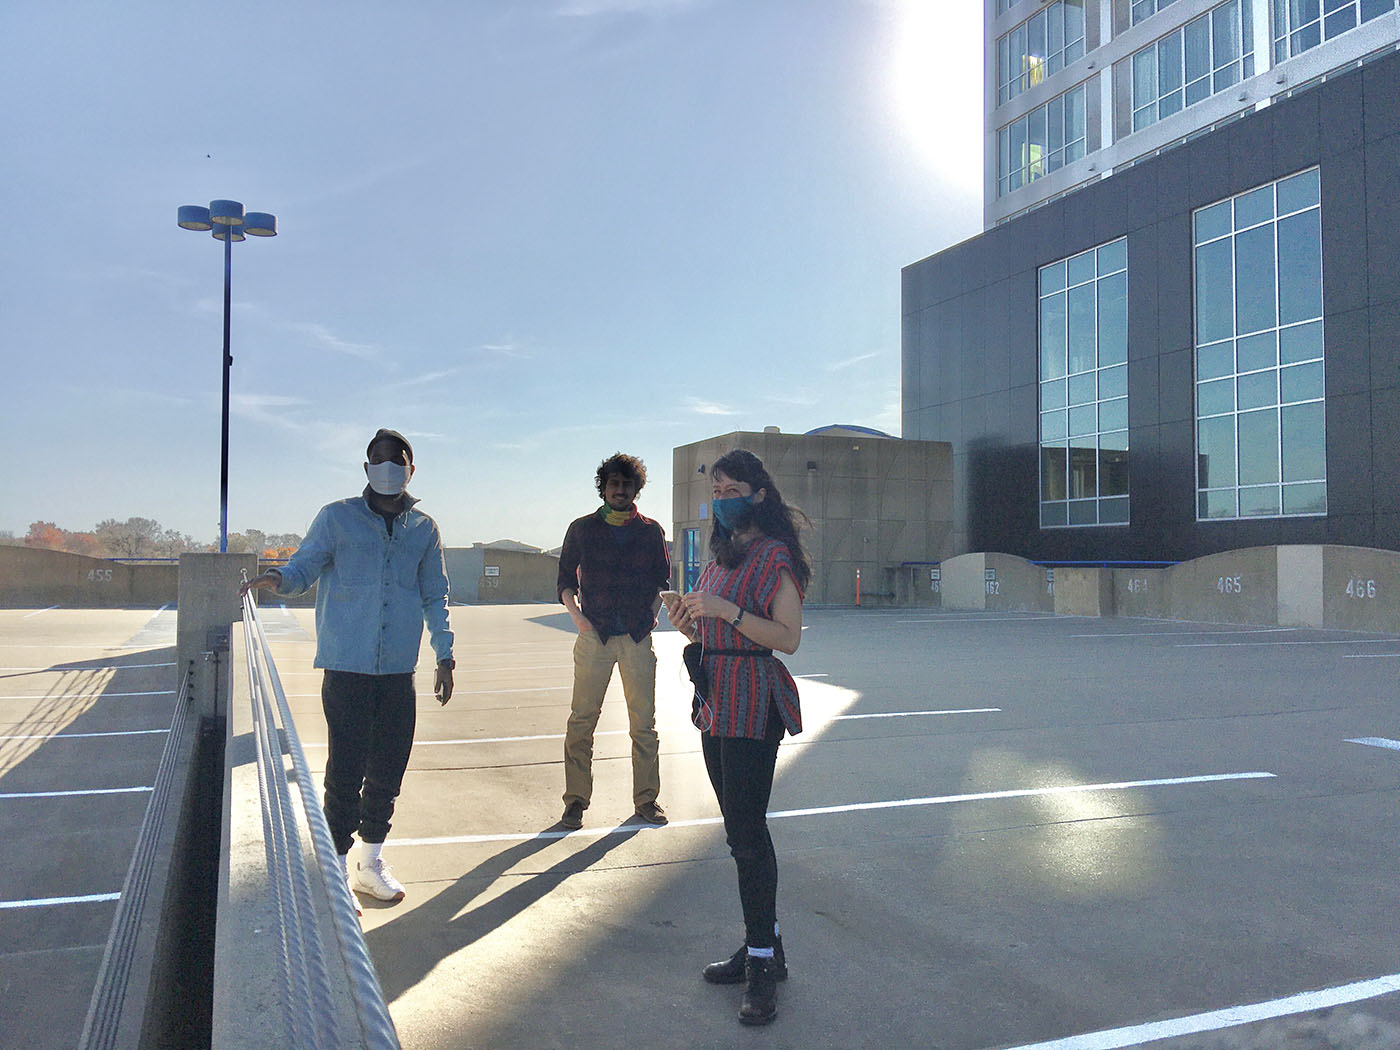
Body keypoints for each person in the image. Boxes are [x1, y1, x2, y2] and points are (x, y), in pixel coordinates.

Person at [240, 428, 454, 912]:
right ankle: (335, 869)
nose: (387, 468)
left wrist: (444, 653)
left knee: (388, 772)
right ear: (365, 468)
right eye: (378, 460)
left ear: (411, 469)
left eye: (396, 460)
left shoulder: (424, 530)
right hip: (347, 670)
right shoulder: (336, 519)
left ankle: (371, 864)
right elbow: (304, 566)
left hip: (399, 673)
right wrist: (277, 578)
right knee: (345, 772)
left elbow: (434, 595)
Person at [667, 448, 808, 1027]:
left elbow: (789, 637)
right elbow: (712, 620)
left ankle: (759, 966)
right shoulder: (721, 555)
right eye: (715, 492)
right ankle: (764, 947)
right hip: (716, 698)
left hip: (753, 698)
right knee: (737, 831)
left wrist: (725, 611)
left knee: (749, 835)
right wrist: (689, 620)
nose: (721, 501)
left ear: (758, 494)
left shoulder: (776, 556)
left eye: (731, 491)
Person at [557, 452, 671, 830]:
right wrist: (578, 618)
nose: (620, 490)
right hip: (595, 636)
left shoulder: (651, 531)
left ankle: (646, 800)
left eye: (627, 484)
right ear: (603, 488)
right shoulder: (582, 529)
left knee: (644, 725)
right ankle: (575, 802)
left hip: (637, 637)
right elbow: (565, 582)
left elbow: (662, 581)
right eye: (613, 484)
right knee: (581, 721)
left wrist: (652, 614)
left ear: (636, 488)